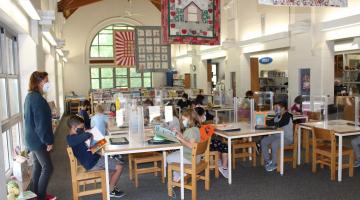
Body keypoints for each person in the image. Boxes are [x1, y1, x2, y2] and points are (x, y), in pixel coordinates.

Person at [66, 115, 125, 198]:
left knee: (114, 165)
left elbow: (87, 149)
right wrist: (89, 133)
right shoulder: (71, 139)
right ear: (74, 127)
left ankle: (109, 187)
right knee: (119, 166)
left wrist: (98, 144)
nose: (83, 129)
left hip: (93, 159)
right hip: (92, 163)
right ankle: (111, 190)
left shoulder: (75, 137)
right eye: (81, 127)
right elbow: (84, 136)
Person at [24, 71, 56, 200]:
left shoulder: (30, 96)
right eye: (46, 81)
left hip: (32, 138)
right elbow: (40, 124)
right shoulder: (37, 99)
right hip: (38, 140)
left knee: (37, 166)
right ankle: (41, 196)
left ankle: (34, 195)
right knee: (47, 167)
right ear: (39, 82)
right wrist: (48, 141)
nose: (48, 83)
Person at [167, 109, 201, 182]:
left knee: (169, 158)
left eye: (184, 119)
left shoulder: (192, 131)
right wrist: (179, 133)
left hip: (190, 157)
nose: (182, 121)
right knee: (172, 155)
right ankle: (179, 174)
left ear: (190, 119)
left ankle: (181, 174)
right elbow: (187, 139)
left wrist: (180, 138)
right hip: (191, 155)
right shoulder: (193, 129)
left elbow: (191, 145)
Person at [194, 107, 229, 178]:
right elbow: (209, 132)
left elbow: (210, 126)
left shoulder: (196, 126)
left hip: (200, 146)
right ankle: (224, 167)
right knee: (224, 146)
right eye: (204, 115)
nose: (205, 116)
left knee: (218, 142)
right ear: (200, 116)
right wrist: (213, 128)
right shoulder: (201, 127)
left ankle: (218, 161)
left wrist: (215, 126)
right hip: (205, 147)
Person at [261, 101, 293, 172]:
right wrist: (261, 120)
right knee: (264, 141)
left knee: (274, 144)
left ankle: (274, 164)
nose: (275, 109)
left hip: (286, 138)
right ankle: (268, 161)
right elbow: (270, 122)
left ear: (283, 108)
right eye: (274, 108)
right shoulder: (278, 115)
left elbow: (280, 124)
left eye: (277, 108)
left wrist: (272, 123)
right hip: (277, 136)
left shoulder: (288, 116)